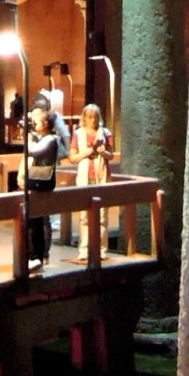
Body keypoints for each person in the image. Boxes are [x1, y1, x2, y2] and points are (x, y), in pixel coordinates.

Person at [71, 103, 113, 262]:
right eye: (89, 117)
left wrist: (105, 153)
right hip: (84, 176)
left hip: (101, 175)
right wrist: (87, 152)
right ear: (84, 118)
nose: (92, 120)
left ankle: (101, 249)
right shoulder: (78, 134)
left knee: (102, 215)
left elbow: (111, 155)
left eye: (95, 117)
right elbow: (72, 157)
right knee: (84, 216)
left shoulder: (105, 132)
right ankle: (84, 250)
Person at [19, 105, 60, 270]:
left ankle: (40, 255)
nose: (35, 123)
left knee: (40, 220)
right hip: (35, 180)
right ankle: (33, 255)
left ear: (46, 123)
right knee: (32, 222)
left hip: (42, 182)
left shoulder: (50, 139)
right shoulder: (41, 137)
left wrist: (27, 139)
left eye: (38, 121)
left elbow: (33, 152)